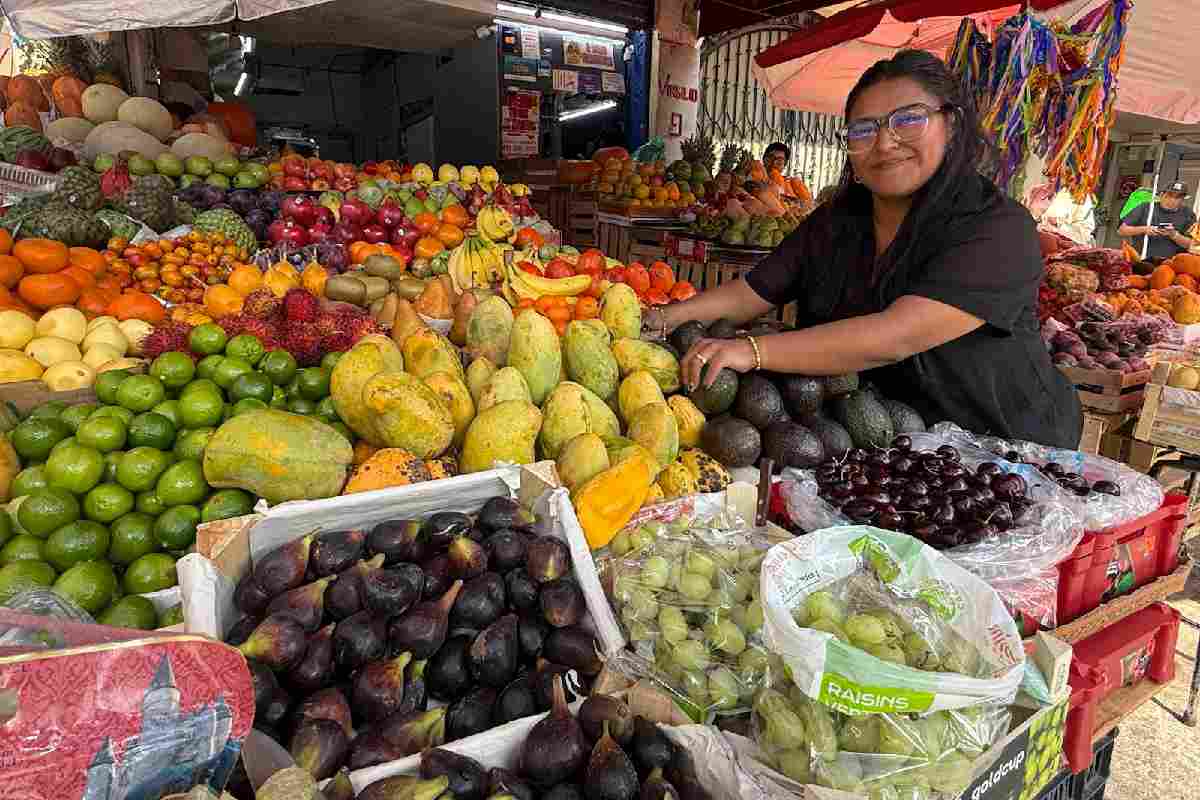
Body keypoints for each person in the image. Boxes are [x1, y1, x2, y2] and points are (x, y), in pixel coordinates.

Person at [642, 49, 1081, 448]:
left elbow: (896, 335)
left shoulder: (997, 227)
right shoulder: (836, 221)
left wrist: (750, 351)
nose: (885, 142)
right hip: (877, 443)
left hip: (1002, 452)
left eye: (909, 119)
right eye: (864, 129)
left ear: (952, 124)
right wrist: (660, 320)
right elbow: (754, 290)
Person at [1117, 181, 1195, 260]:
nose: (1172, 200)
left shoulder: (1188, 214)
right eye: (1169, 195)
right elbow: (1121, 230)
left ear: (1183, 199)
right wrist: (1144, 229)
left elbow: (1192, 244)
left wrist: (1174, 235)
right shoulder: (1146, 207)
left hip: (1172, 264)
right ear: (1161, 195)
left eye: (1177, 197)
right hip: (1141, 259)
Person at [763, 142, 813, 207]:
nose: (774, 163)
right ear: (764, 159)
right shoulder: (753, 182)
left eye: (779, 161)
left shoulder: (792, 183)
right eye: (771, 158)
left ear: (784, 165)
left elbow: (808, 204)